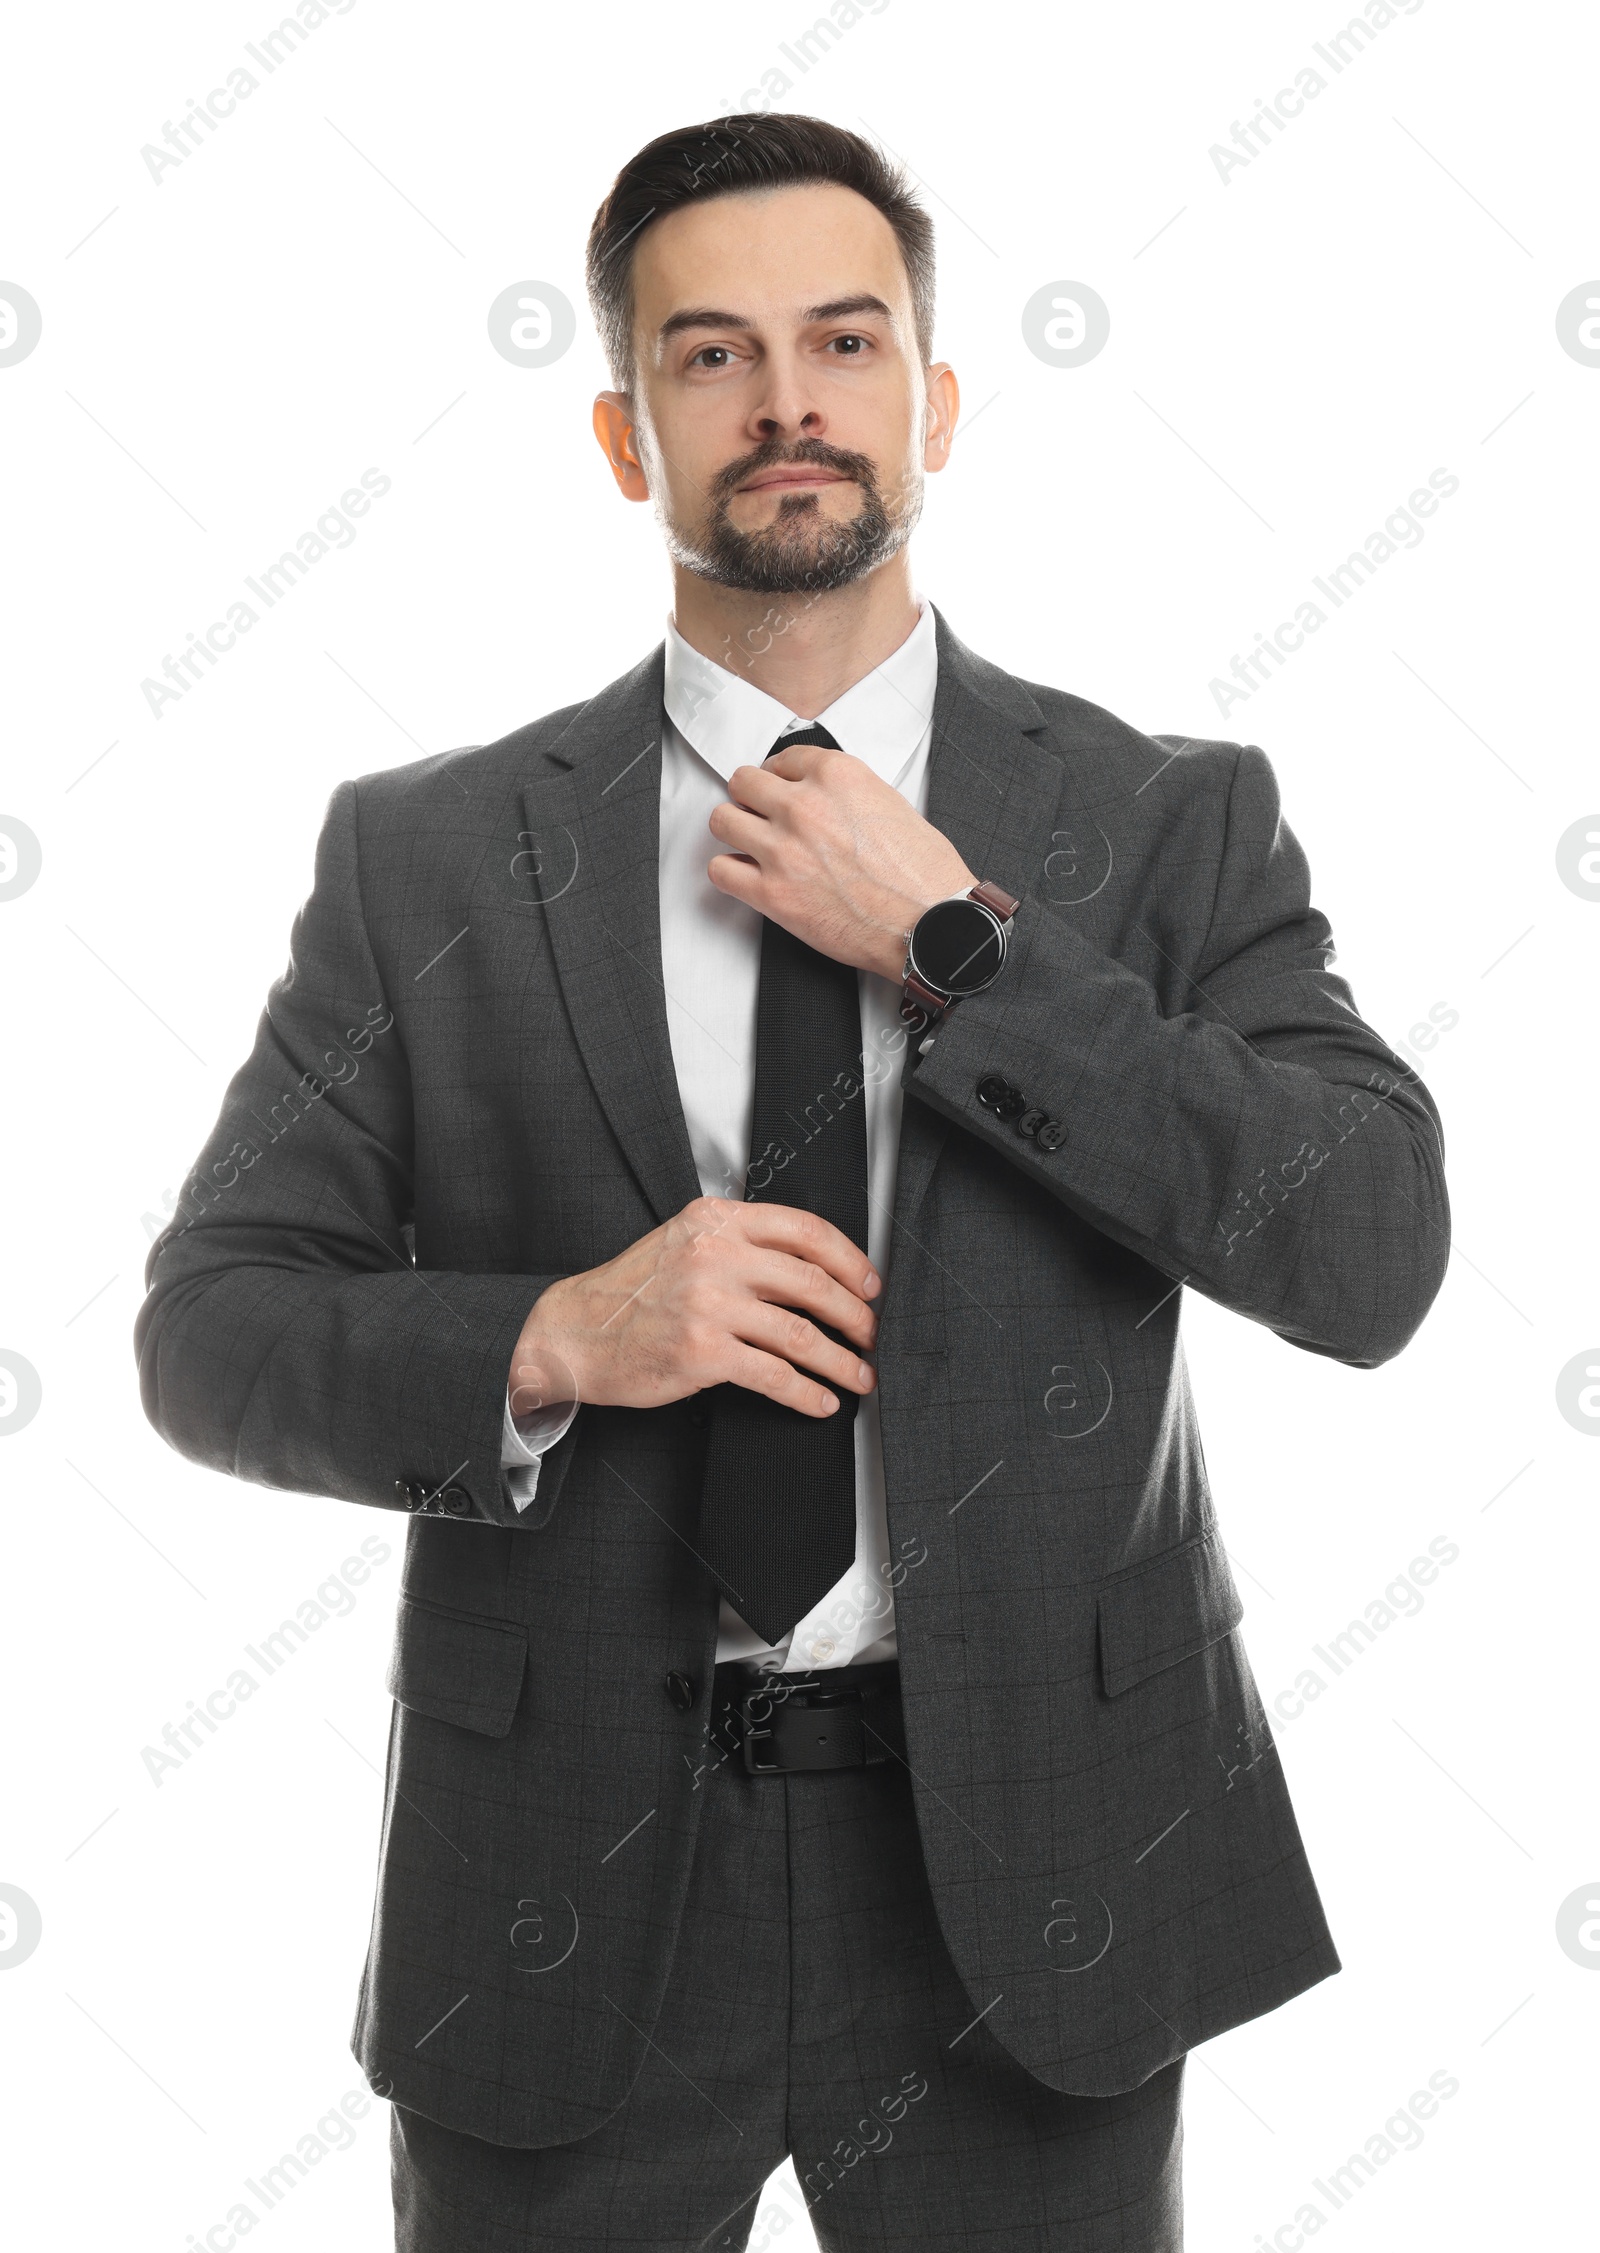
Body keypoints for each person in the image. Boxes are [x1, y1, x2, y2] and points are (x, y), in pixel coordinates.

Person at [135, 112, 1450, 2253]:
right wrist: (558, 1331)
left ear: (929, 401)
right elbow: (207, 1330)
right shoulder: (430, 853)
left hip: (1033, 1883)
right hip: (556, 1882)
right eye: (710, 353)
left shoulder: (1166, 817)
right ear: (621, 428)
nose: (785, 403)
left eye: (842, 340)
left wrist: (963, 949)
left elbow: (1368, 1246)